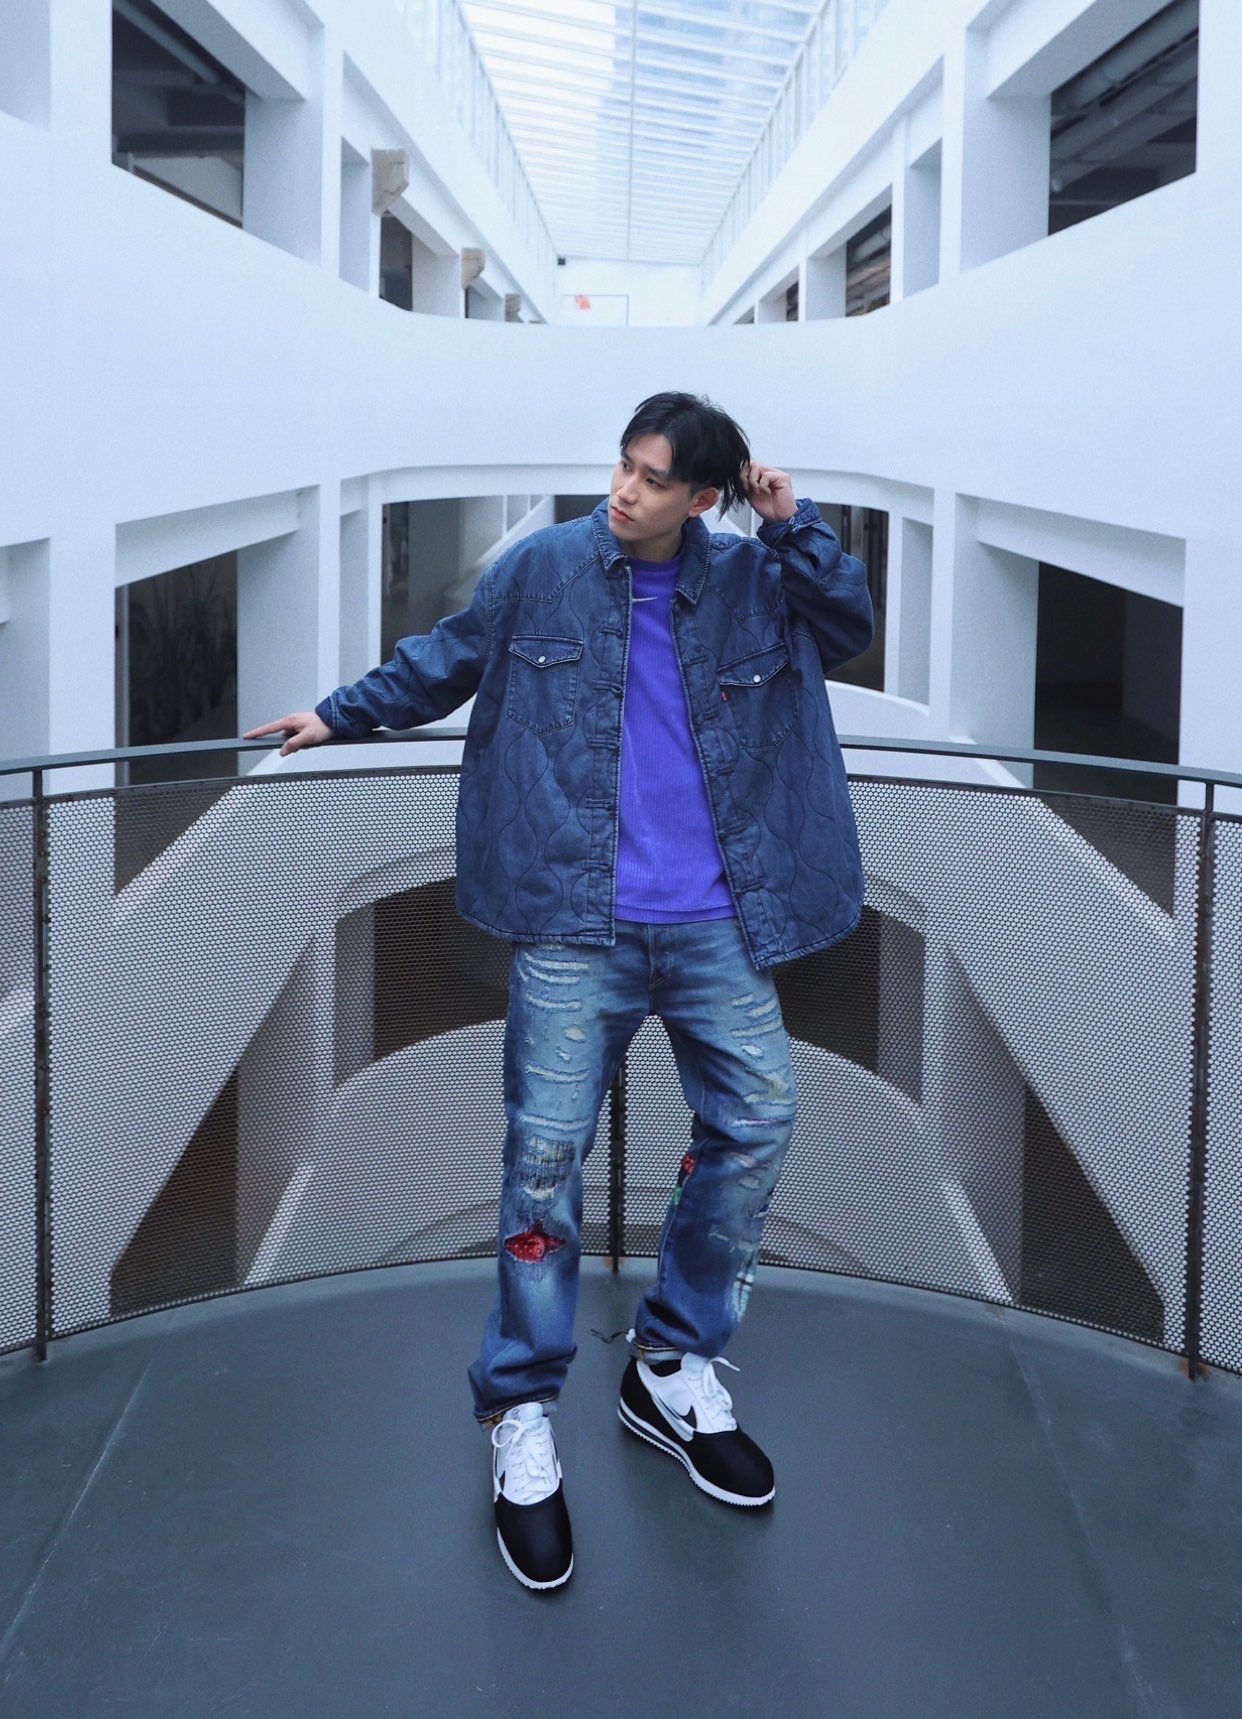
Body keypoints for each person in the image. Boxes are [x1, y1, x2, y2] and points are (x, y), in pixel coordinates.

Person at [246, 392, 872, 1592]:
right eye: (623, 466)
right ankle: (520, 1408)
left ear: (704, 498)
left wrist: (794, 523)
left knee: (757, 1121)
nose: (625, 491)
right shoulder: (544, 569)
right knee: (544, 1163)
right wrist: (337, 714)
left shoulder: (757, 578)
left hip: (717, 920)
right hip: (575, 921)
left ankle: (671, 1363)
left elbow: (846, 624)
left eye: (655, 479)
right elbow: (446, 659)